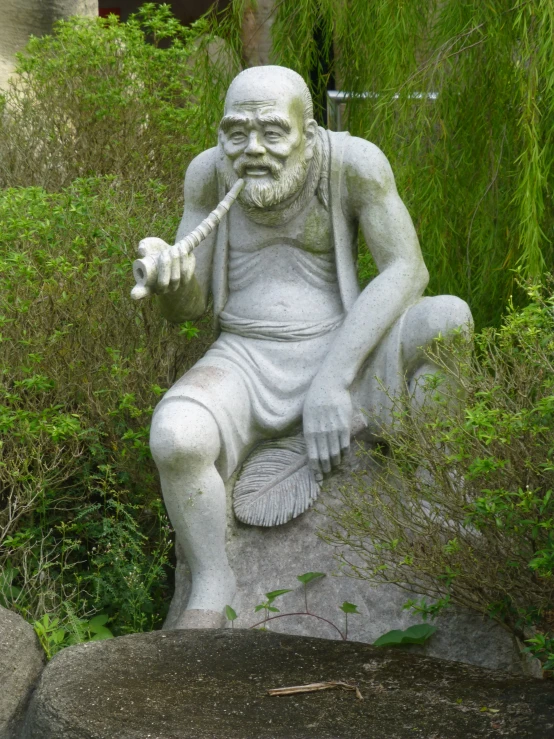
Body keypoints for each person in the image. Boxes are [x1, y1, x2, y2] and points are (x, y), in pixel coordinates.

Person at [140, 65, 472, 628]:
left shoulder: (353, 164)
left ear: (309, 132)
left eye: (272, 132)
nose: (252, 150)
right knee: (175, 439)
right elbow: (190, 309)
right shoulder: (209, 175)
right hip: (245, 360)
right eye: (236, 133)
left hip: (346, 347)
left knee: (447, 320)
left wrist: (334, 379)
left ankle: (436, 501)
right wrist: (172, 281)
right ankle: (213, 578)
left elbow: (406, 268)